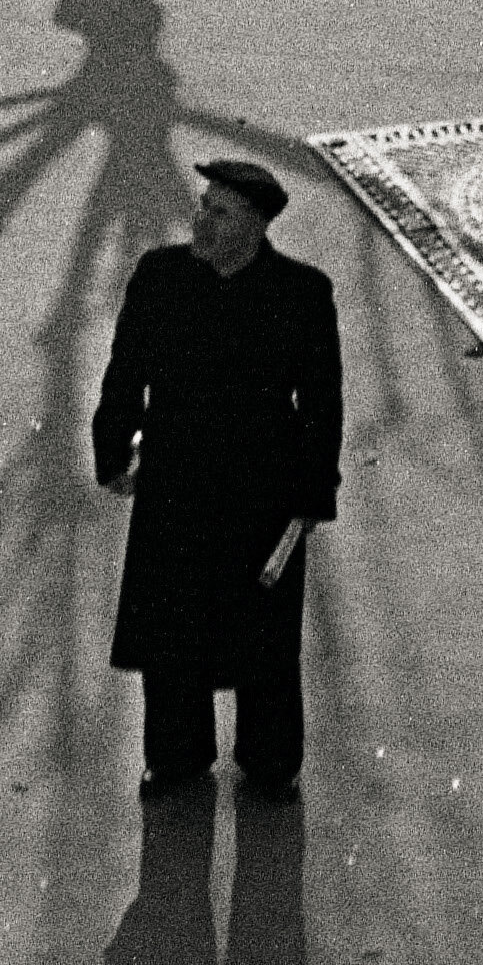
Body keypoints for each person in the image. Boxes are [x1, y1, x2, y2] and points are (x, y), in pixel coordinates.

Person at [91, 157, 342, 802]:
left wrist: (314, 494)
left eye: (221, 212)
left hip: (263, 495)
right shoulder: (160, 277)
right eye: (204, 204)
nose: (201, 218)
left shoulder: (302, 294)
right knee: (172, 634)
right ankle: (176, 757)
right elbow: (125, 373)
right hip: (176, 482)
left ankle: (269, 760)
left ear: (257, 228)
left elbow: (320, 404)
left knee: (266, 640)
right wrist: (113, 451)